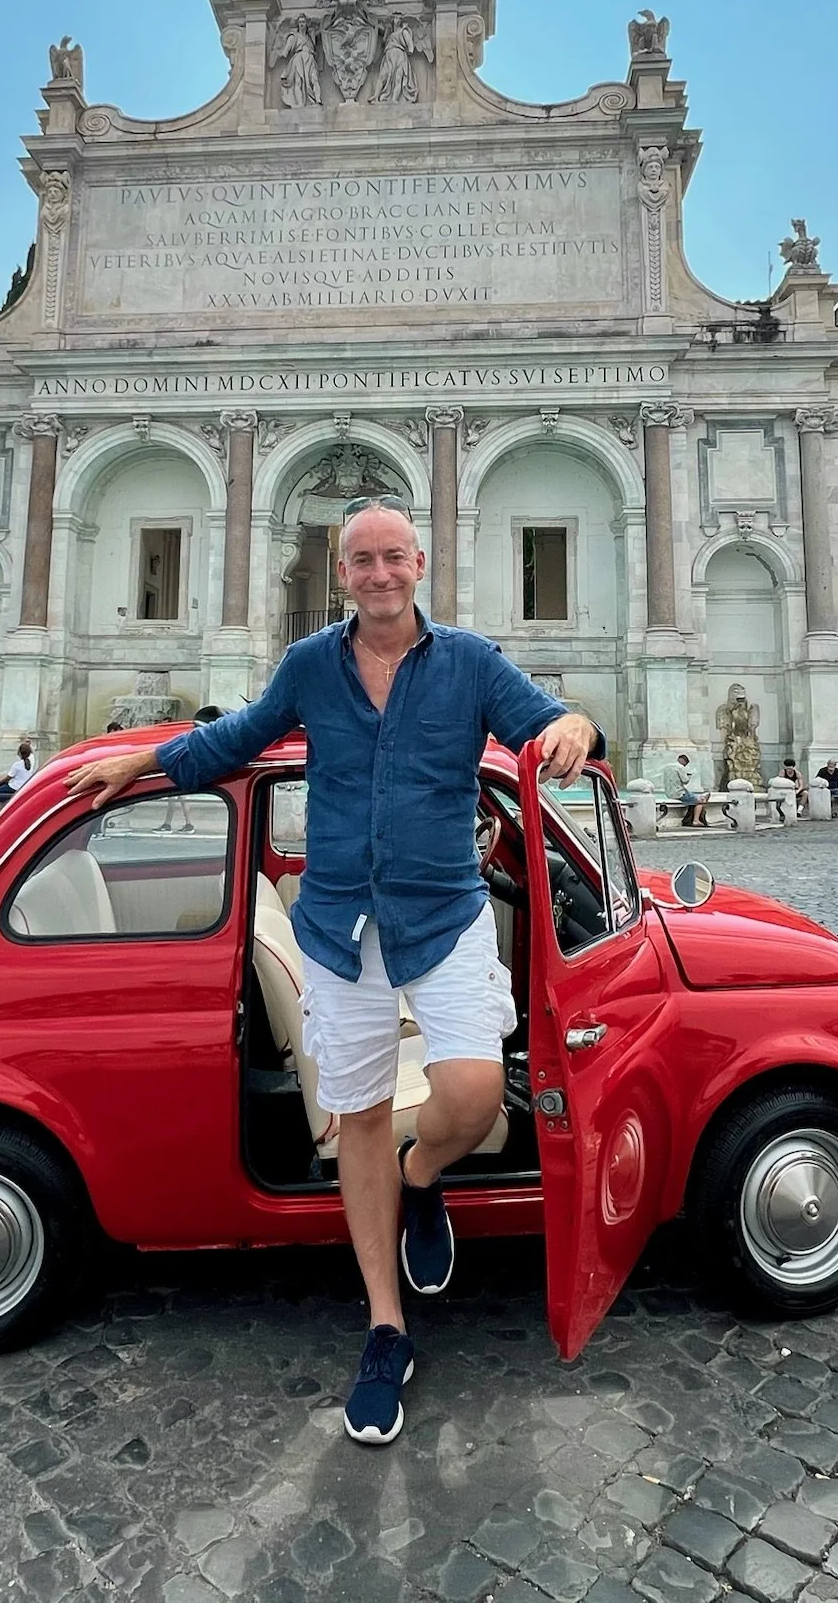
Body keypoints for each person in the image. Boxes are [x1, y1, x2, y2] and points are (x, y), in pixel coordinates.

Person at [66, 495, 600, 1447]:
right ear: (340, 571)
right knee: (354, 1117)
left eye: (394, 557)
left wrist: (578, 729)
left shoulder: (471, 662)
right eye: (362, 560)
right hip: (339, 926)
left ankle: (425, 1173)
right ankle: (385, 1329)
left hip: (445, 916)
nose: (380, 574)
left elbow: (550, 723)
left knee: (476, 1095)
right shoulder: (311, 665)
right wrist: (146, 761)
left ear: (420, 564)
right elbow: (239, 738)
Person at [671, 752, 708, 828]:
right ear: (683, 761)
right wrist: (689, 776)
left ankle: (694, 818)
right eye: (685, 765)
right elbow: (685, 781)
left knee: (695, 797)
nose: (684, 766)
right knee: (701, 800)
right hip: (679, 793)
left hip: (670, 792)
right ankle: (696, 820)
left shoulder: (668, 767)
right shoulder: (679, 767)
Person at [0, 741, 34, 809]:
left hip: (14, 787)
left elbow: (8, 778)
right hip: (24, 787)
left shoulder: (17, 764)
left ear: (19, 753)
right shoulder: (31, 764)